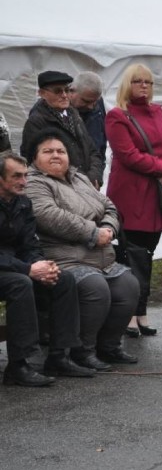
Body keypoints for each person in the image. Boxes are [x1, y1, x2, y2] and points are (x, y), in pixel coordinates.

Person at [26, 132, 140, 370]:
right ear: (35, 158)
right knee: (95, 289)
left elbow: (108, 204)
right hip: (64, 257)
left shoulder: (79, 178)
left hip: (101, 254)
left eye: (61, 151)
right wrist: (92, 231)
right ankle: (82, 350)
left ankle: (108, 346)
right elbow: (50, 216)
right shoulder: (34, 183)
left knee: (129, 286)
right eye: (48, 151)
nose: (56, 155)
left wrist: (108, 227)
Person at [0, 152, 91, 385]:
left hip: (14, 267)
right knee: (21, 284)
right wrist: (28, 270)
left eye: (25, 176)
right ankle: (18, 365)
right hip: (9, 270)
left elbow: (30, 243)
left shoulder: (23, 202)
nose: (24, 182)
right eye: (16, 176)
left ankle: (59, 356)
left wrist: (43, 266)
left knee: (63, 279)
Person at [105, 63, 162, 337]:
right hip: (132, 195)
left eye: (148, 82)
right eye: (138, 81)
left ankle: (141, 312)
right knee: (132, 256)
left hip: (158, 196)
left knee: (146, 255)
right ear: (128, 84)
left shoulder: (158, 112)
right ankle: (129, 315)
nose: (144, 86)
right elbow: (128, 155)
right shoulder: (117, 116)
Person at [22, 70, 104, 188]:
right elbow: (34, 161)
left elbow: (93, 151)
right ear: (42, 93)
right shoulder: (36, 121)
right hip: (59, 189)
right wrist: (78, 181)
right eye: (58, 91)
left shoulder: (74, 115)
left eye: (66, 90)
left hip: (84, 186)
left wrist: (94, 177)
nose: (64, 95)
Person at [69, 72, 108, 161]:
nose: (91, 106)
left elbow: (101, 145)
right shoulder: (53, 109)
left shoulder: (97, 102)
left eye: (95, 102)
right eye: (86, 101)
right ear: (72, 91)